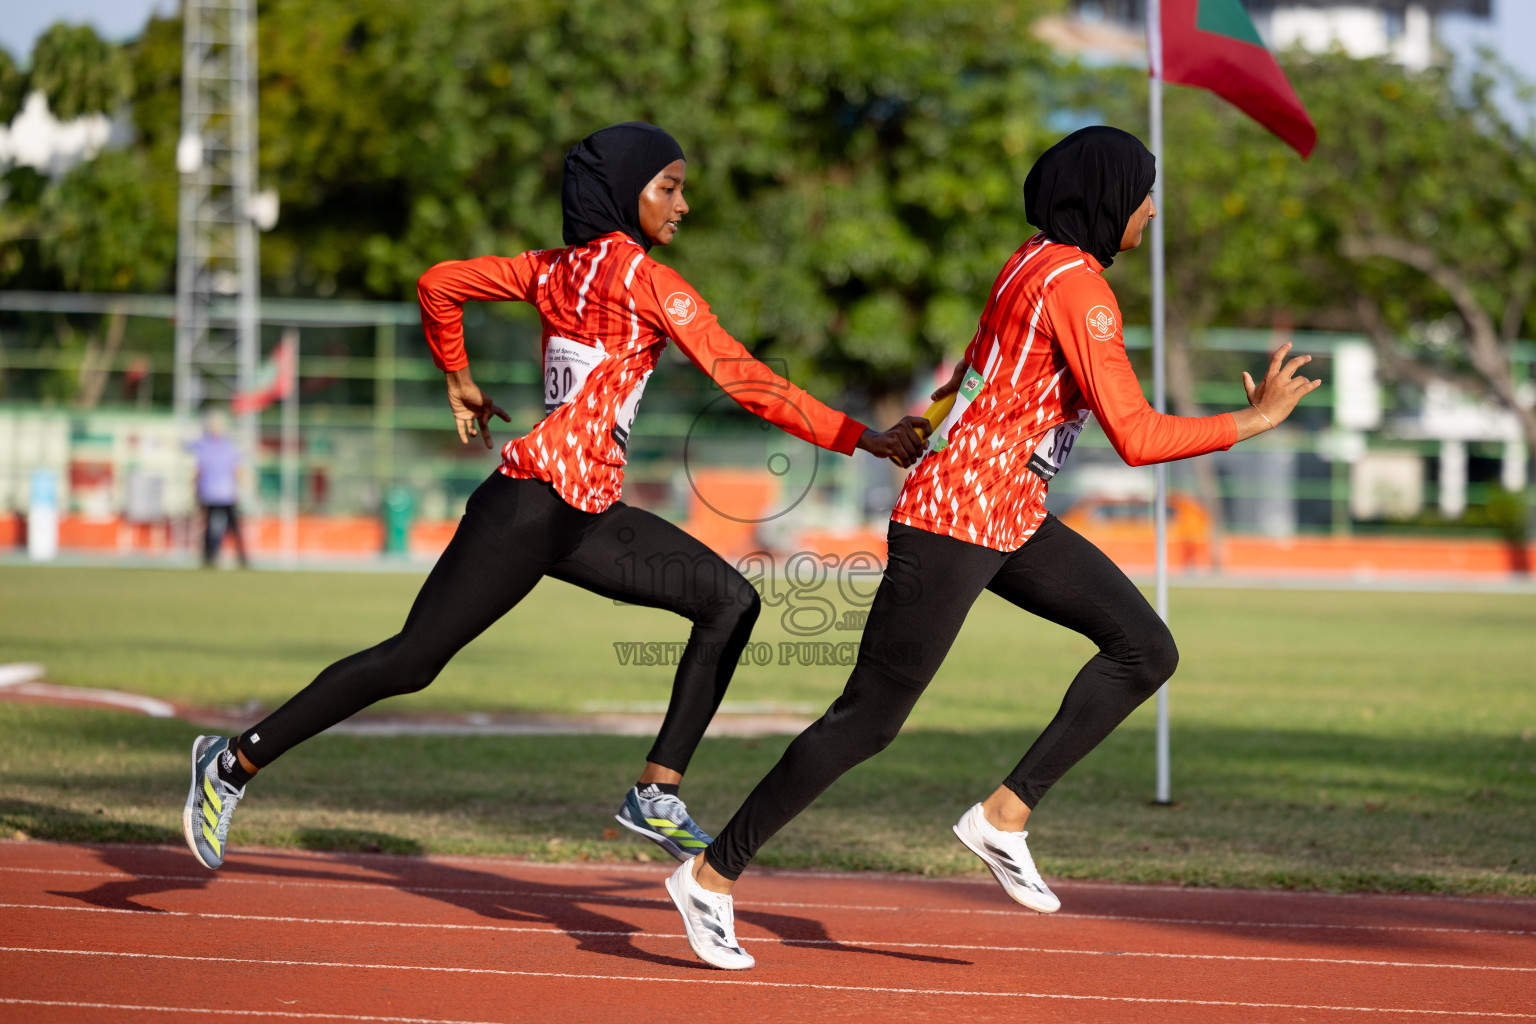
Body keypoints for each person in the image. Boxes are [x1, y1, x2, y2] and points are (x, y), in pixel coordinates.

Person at [181, 122, 927, 872]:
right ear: (620, 192)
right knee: (410, 662)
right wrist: (866, 437)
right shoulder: (647, 281)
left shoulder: (550, 268)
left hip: (586, 515)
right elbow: (748, 381)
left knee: (730, 600)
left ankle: (656, 792)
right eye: (668, 187)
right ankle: (231, 762)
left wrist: (458, 376)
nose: (683, 204)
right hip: (529, 507)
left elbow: (438, 283)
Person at [664, 126, 1322, 970]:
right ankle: (711, 877)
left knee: (1143, 647)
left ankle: (1003, 816)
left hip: (1004, 512)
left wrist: (924, 423)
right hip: (956, 518)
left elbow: (974, 373)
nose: (1152, 208)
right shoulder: (1079, 287)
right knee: (867, 720)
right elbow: (1136, 435)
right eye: (1145, 191)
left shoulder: (1030, 259)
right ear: (1108, 196)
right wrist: (1255, 422)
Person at [186, 408, 249, 569]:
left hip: (225, 492)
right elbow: (198, 469)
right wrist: (194, 488)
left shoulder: (227, 446)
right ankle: (210, 556)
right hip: (210, 492)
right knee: (212, 527)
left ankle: (240, 556)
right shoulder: (205, 445)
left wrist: (244, 487)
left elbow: (236, 470)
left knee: (233, 526)